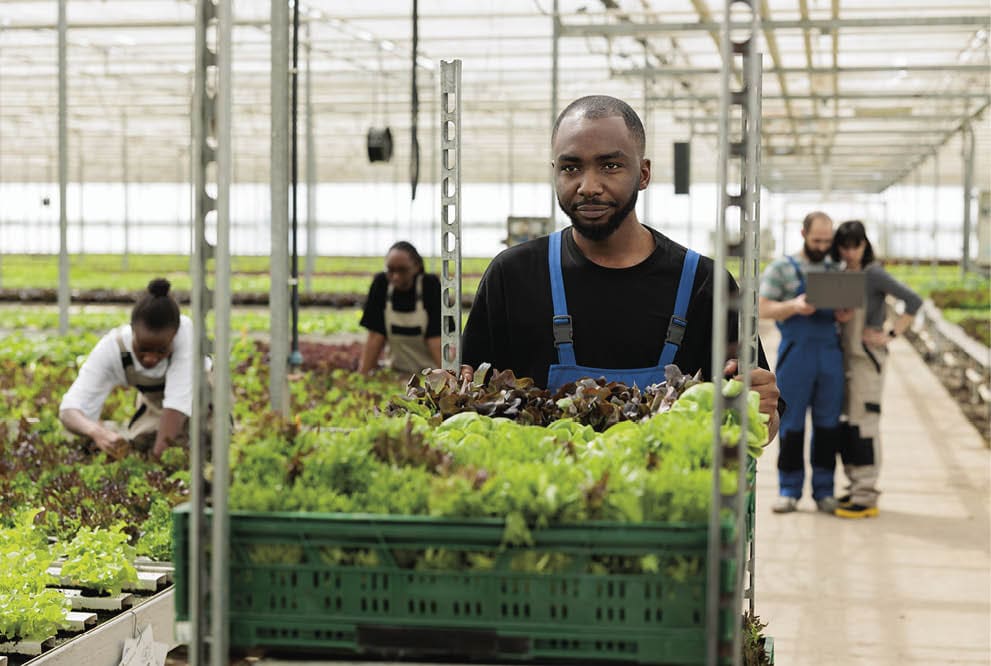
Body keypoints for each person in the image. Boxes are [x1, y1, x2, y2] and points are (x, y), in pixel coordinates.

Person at [461, 95, 781, 442]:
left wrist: (761, 410)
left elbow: (762, 429)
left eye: (610, 166)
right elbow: (470, 408)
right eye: (571, 168)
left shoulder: (705, 285)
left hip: (667, 495)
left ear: (643, 174)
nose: (589, 186)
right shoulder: (512, 276)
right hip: (541, 494)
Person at [758, 211, 850, 514]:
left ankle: (824, 490)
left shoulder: (837, 269)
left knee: (827, 425)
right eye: (817, 240)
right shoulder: (782, 269)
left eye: (827, 241)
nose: (823, 246)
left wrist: (843, 313)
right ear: (803, 234)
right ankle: (789, 489)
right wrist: (793, 305)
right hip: (796, 355)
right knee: (791, 424)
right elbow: (762, 308)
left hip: (830, 354)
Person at [830, 220, 922, 519]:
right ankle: (857, 485)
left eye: (855, 245)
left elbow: (913, 300)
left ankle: (866, 495)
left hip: (867, 359)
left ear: (864, 244)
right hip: (847, 360)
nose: (850, 252)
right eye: (844, 246)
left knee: (864, 424)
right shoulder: (844, 275)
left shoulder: (873, 274)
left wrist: (890, 334)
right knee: (849, 424)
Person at [60, 278, 202, 459]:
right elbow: (69, 410)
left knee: (204, 444)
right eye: (143, 349)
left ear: (174, 336)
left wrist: (157, 463)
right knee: (143, 442)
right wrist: (97, 432)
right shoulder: (113, 348)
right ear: (132, 330)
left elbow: (176, 405)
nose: (151, 358)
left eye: (161, 350)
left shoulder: (186, 333)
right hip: (158, 408)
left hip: (203, 403)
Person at [358, 241, 442, 375]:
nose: (395, 276)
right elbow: (375, 336)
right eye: (390, 270)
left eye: (403, 270)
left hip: (430, 374)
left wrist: (446, 378)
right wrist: (362, 376)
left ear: (416, 266)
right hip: (396, 371)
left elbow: (435, 339)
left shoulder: (430, 285)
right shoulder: (381, 284)